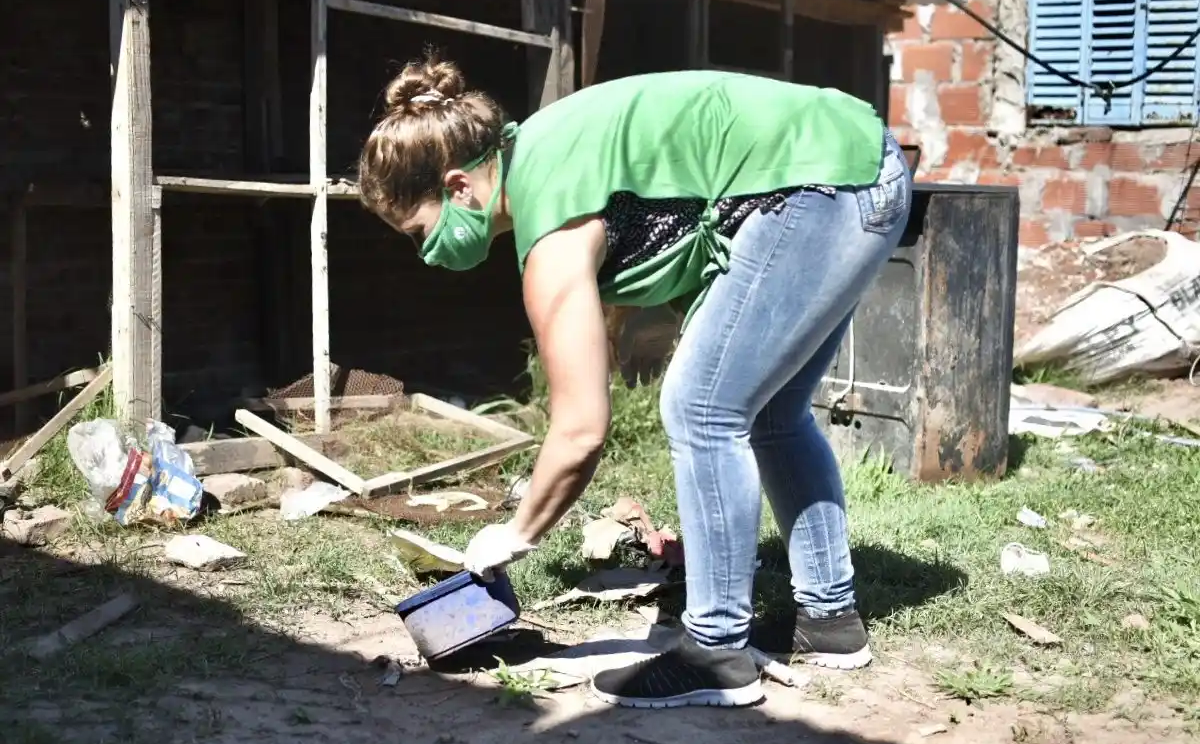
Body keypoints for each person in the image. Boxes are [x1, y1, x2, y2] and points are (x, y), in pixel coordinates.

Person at [358, 56, 912, 710]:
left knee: (702, 408)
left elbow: (581, 429)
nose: (425, 253)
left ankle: (715, 651)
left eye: (418, 233)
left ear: (457, 187)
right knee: (771, 413)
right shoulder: (541, 154)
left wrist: (515, 532)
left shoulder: (551, 216)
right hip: (855, 166)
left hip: (822, 184)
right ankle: (830, 623)